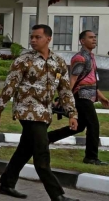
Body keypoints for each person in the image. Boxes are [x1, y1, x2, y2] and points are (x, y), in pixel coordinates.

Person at [0, 24, 80, 201]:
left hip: (45, 112)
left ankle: (7, 183)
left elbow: (65, 90)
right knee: (41, 152)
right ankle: (57, 196)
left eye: (37, 37)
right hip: (27, 111)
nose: (33, 40)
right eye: (31, 37)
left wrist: (72, 113)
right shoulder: (23, 60)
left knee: (25, 149)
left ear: (48, 39)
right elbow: (9, 86)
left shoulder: (58, 62)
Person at [47, 30, 109, 165]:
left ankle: (46, 138)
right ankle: (91, 157)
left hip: (87, 96)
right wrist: (65, 98)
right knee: (94, 125)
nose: (94, 39)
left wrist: (102, 98)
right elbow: (73, 79)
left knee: (80, 126)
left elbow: (91, 81)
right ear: (82, 41)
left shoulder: (91, 57)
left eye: (95, 37)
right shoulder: (80, 58)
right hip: (81, 96)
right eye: (91, 37)